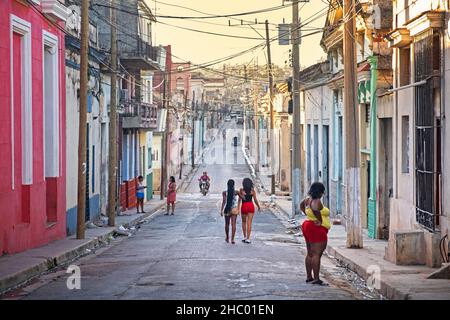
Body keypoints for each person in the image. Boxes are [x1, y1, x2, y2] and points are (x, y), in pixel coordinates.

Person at [300, 182, 331, 286]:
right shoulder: (317, 201)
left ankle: (309, 276)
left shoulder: (307, 200)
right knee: (317, 254)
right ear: (321, 191)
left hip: (307, 225)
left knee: (310, 253)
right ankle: (316, 279)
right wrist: (320, 221)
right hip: (316, 229)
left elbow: (301, 206)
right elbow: (317, 210)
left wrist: (307, 214)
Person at [238, 178, 261, 244]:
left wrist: (238, 208)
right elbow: (255, 200)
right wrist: (258, 207)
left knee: (243, 222)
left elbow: (239, 200)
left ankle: (244, 237)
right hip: (250, 205)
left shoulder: (241, 190)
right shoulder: (252, 191)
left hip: (244, 206)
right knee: (249, 223)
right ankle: (248, 238)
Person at [220, 179, 240, 244]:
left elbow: (224, 202)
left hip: (227, 209)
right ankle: (233, 239)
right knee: (233, 224)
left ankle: (227, 237)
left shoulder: (224, 192)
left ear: (227, 185)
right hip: (234, 209)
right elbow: (243, 197)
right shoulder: (236, 192)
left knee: (227, 224)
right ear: (233, 185)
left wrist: (221, 210)